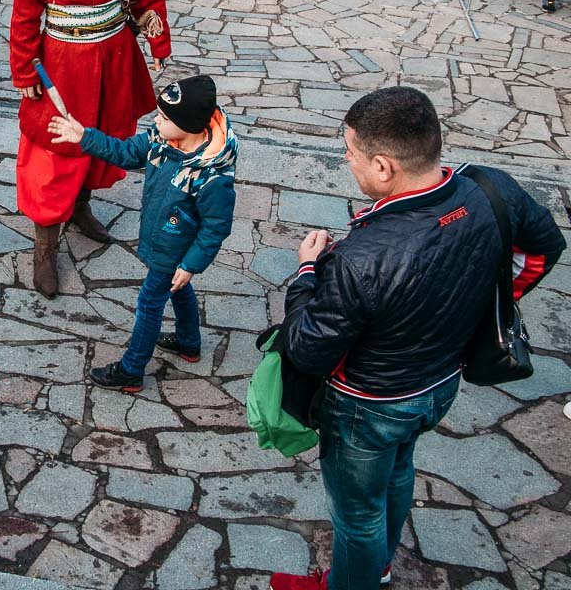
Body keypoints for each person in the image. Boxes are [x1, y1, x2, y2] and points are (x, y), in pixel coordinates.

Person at [269, 87, 565, 590]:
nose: (347, 160)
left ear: (383, 166)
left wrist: (305, 273)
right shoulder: (494, 188)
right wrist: (484, 304)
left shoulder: (360, 259)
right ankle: (379, 567)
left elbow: (307, 349)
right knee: (400, 467)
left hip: (369, 403)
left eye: (351, 152)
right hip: (440, 383)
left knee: (357, 514)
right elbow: (544, 247)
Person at [10, 0, 171, 298]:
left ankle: (80, 208)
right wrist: (24, 71)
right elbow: (25, 10)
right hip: (60, 62)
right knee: (52, 151)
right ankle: (45, 246)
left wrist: (159, 42)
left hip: (116, 55)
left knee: (101, 138)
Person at [48, 75, 237, 389]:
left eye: (164, 117)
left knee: (150, 302)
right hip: (161, 238)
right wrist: (84, 136)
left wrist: (191, 264)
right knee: (177, 287)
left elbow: (216, 227)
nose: (156, 121)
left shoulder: (212, 176)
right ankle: (189, 342)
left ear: (188, 125)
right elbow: (123, 152)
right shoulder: (160, 140)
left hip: (176, 245)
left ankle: (132, 369)